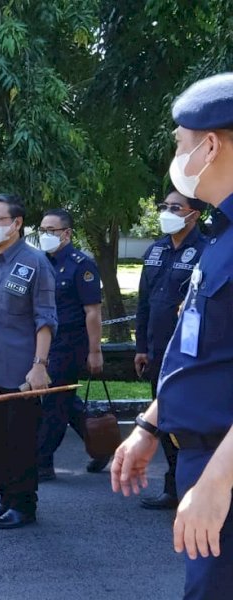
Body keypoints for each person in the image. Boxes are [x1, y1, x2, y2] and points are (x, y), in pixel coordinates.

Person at [112, 72, 233, 600]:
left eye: (181, 144)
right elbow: (199, 350)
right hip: (202, 458)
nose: (177, 157)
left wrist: (218, 482)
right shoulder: (220, 237)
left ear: (209, 146)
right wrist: (150, 425)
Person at [0, 194, 57, 529]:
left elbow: (46, 319)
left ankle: (24, 504)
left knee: (19, 442)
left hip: (22, 373)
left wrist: (39, 365)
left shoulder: (36, 262)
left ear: (17, 223)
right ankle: (4, 498)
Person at [133, 189, 206, 510]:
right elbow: (144, 304)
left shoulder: (206, 250)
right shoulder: (156, 250)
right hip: (158, 352)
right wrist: (141, 347)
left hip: (192, 356)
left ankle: (195, 488)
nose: (167, 212)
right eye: (164, 206)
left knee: (190, 423)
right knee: (163, 421)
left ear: (195, 214)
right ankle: (173, 486)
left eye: (175, 207)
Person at [36, 208, 105, 481]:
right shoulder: (40, 261)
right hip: (45, 342)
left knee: (54, 403)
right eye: (41, 231)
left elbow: (93, 312)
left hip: (70, 343)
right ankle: (102, 447)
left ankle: (41, 462)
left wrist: (95, 351)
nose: (45, 236)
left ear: (66, 233)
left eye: (51, 231)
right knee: (66, 401)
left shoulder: (81, 265)